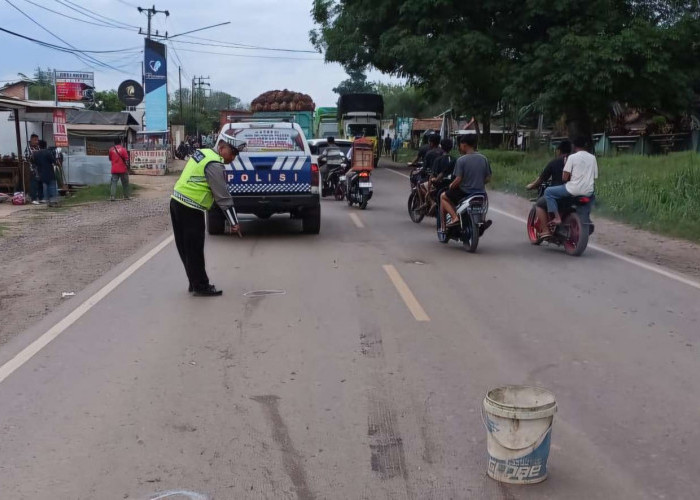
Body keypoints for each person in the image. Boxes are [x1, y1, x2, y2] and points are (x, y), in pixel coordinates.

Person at [170, 139, 242, 297]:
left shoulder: (203, 153)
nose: (233, 158)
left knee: (185, 248)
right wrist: (234, 222)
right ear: (222, 148)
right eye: (233, 153)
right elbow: (222, 196)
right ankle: (201, 286)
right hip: (190, 207)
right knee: (194, 248)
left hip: (176, 201)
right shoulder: (214, 164)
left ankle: (194, 281)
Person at [542, 136, 598, 236]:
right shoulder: (593, 158)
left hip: (572, 189)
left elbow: (564, 178)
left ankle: (557, 217)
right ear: (585, 145)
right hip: (588, 191)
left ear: (574, 146)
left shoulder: (572, 157)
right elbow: (594, 176)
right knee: (591, 198)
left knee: (548, 192)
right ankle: (586, 218)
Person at [440, 134, 492, 231]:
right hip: (480, 192)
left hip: (465, 192)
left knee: (443, 196)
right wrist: (478, 182)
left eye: (460, 145)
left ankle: (455, 217)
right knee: (483, 204)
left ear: (464, 145)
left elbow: (458, 179)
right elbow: (488, 178)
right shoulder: (484, 158)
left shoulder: (461, 160)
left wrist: (451, 185)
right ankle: (482, 220)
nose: (460, 147)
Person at [526, 140, 572, 236]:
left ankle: (546, 230)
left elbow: (541, 179)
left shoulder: (554, 162)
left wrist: (531, 186)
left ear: (559, 151)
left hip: (560, 193)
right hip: (575, 193)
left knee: (539, 204)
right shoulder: (574, 161)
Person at [418, 134, 443, 208]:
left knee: (420, 185)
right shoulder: (443, 152)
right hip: (443, 178)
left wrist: (422, 172)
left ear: (431, 142)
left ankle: (431, 202)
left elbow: (424, 168)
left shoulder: (429, 153)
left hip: (433, 178)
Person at [32, 141, 59, 206]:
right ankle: (53, 201)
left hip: (40, 172)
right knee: (51, 186)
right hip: (49, 172)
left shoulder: (35, 154)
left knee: (45, 187)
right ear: (46, 145)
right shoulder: (48, 152)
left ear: (39, 146)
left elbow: (34, 163)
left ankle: (47, 201)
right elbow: (53, 161)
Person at [24, 134, 42, 204]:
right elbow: (27, 158)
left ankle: (41, 197)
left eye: (37, 140)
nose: (37, 142)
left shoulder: (38, 148)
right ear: (31, 140)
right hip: (32, 168)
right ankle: (33, 198)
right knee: (33, 183)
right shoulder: (28, 148)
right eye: (35, 140)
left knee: (40, 182)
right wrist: (33, 157)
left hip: (39, 167)